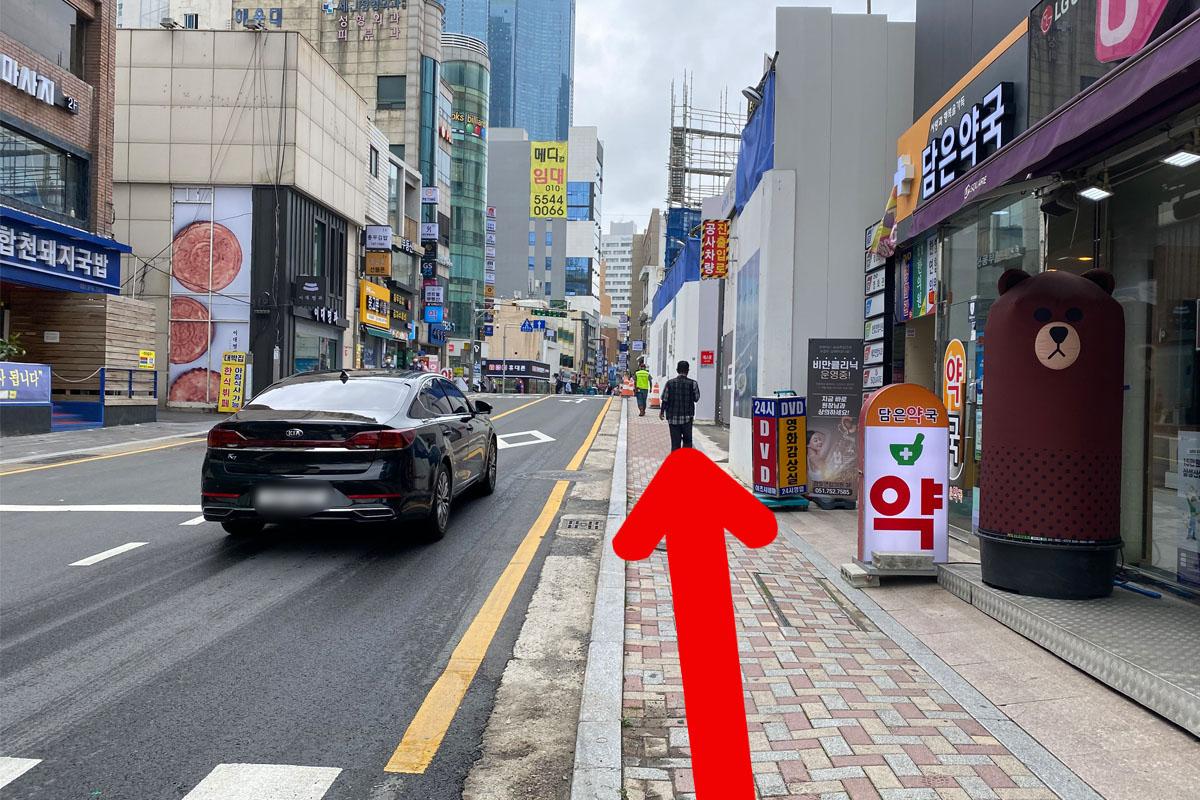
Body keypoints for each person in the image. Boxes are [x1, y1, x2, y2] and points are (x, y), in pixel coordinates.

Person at [659, 360, 701, 451]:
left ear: (677, 370)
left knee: (675, 444)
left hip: (673, 418)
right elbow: (696, 398)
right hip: (687, 418)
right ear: (687, 371)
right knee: (687, 442)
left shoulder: (669, 383)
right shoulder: (693, 383)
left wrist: (662, 412)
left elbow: (665, 399)